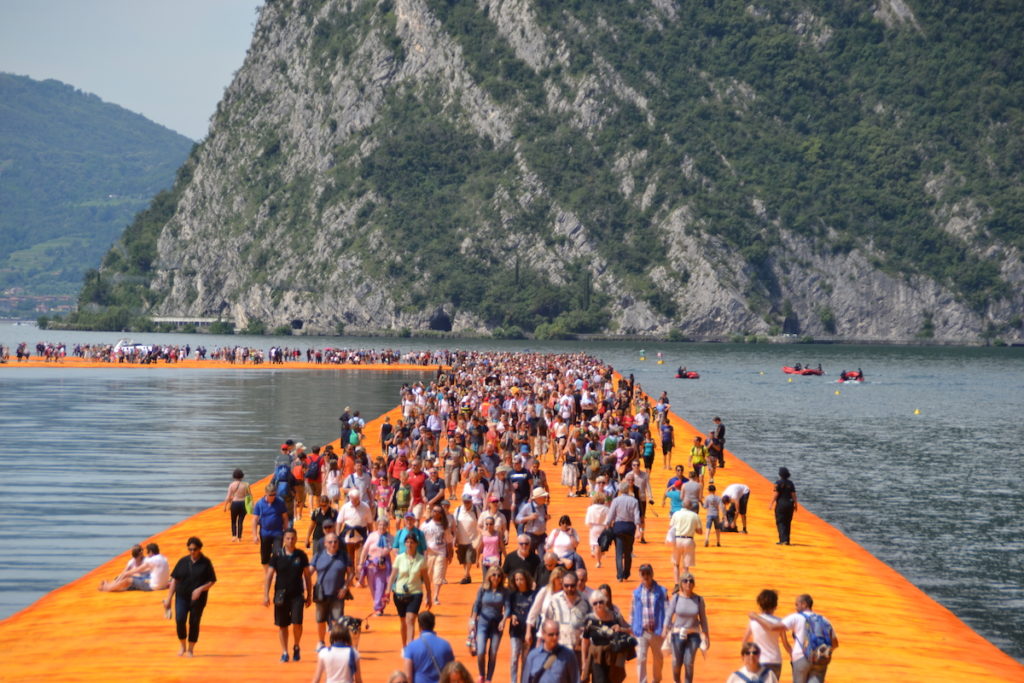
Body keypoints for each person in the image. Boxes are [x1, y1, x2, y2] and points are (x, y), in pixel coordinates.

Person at [750, 594, 838, 683]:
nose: (796, 608)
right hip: (821, 660)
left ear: (804, 604)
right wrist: (820, 652)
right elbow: (835, 644)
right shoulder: (824, 620)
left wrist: (756, 617)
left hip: (801, 658)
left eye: (797, 604)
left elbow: (772, 627)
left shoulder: (796, 617)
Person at [264, 528, 312, 662]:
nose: (290, 541)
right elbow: (269, 576)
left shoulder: (301, 555)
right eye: (288, 538)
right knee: (282, 625)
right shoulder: (277, 556)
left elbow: (307, 576)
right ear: (284, 540)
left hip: (297, 594)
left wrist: (309, 594)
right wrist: (266, 595)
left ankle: (296, 645)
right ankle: (284, 651)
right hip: (281, 595)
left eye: (293, 538)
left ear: (296, 539)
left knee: (297, 623)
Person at [163, 536, 216, 657]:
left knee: (194, 622)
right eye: (190, 549)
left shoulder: (206, 562)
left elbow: (212, 581)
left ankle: (191, 649)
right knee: (180, 620)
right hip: (181, 596)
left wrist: (200, 589)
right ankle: (182, 646)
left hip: (198, 599)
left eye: (195, 549)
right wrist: (169, 599)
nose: (192, 552)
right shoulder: (183, 561)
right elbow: (175, 580)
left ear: (200, 549)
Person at [662, 573, 709, 683]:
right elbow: (669, 614)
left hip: (693, 635)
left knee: (689, 663)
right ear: (681, 584)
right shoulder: (676, 598)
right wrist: (665, 629)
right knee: (676, 663)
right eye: (686, 581)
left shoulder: (698, 599)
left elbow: (703, 619)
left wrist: (706, 635)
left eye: (691, 581)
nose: (688, 583)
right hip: (677, 634)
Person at [388, 534, 433, 647]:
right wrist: (387, 591)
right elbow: (393, 576)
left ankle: (410, 648)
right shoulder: (399, 558)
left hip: (415, 593)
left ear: (416, 544)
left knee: (411, 619)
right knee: (403, 621)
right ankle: (404, 646)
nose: (409, 545)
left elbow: (426, 579)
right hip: (399, 593)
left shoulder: (421, 560)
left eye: (412, 542)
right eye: (407, 542)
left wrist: (429, 595)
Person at [312, 531, 351, 650]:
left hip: (337, 594)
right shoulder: (318, 555)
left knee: (337, 621)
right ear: (325, 544)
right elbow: (309, 570)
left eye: (335, 541)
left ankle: (335, 642)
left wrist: (345, 587)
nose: (333, 544)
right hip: (321, 593)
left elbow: (351, 573)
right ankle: (321, 642)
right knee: (320, 620)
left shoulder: (343, 556)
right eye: (330, 542)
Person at [470, 566, 509, 683]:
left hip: (497, 625)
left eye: (498, 575)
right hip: (483, 623)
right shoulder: (483, 589)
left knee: (493, 653)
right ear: (489, 576)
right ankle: (481, 674)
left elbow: (507, 608)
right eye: (494, 575)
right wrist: (472, 621)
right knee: (481, 651)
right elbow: (476, 605)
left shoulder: (505, 591)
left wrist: (504, 620)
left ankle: (489, 678)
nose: (496, 577)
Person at [581, 590, 630, 683]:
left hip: (614, 656)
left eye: (600, 602)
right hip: (597, 656)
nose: (598, 605)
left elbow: (630, 630)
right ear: (592, 605)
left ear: (605, 601)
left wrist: (621, 629)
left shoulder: (615, 616)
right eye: (595, 603)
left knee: (614, 680)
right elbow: (585, 640)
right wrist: (584, 661)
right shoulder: (590, 620)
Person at [543, 570, 592, 663]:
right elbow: (546, 623)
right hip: (558, 648)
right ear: (562, 584)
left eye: (572, 585)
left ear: (577, 583)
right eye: (566, 585)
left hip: (579, 650)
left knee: (579, 677)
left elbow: (591, 624)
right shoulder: (554, 600)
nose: (569, 588)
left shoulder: (586, 601)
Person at [631, 564, 668, 683]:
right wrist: (631, 627)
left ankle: (656, 680)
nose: (646, 576)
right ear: (640, 576)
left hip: (657, 631)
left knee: (658, 659)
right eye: (643, 574)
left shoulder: (662, 591)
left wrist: (667, 627)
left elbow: (668, 610)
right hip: (642, 631)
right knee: (641, 658)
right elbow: (632, 611)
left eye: (648, 573)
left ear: (652, 574)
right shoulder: (636, 593)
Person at [742, 589, 790, 680]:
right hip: (775, 661)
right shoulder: (779, 621)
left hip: (759, 660)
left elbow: (744, 642)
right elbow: (786, 644)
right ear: (775, 605)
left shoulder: (753, 621)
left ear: (759, 605)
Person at [402, 611, 455, 683]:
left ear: (419, 626)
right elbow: (452, 671)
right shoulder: (446, 645)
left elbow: (408, 676)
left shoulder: (411, 647)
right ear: (434, 624)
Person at [523, 618, 580, 683]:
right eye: (551, 634)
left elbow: (575, 680)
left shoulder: (568, 655)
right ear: (543, 634)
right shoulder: (533, 656)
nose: (555, 637)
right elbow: (525, 680)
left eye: (557, 634)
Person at [98, 542, 169, 592]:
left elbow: (138, 570)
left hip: (152, 585)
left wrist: (128, 573)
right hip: (158, 583)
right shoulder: (163, 558)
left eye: (148, 552)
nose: (147, 554)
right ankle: (110, 585)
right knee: (124, 577)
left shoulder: (150, 560)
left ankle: (107, 588)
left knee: (128, 580)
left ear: (151, 552)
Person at [506, 569, 537, 683]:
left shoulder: (533, 594)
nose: (519, 582)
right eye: (517, 579)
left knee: (525, 659)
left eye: (521, 579)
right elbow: (507, 610)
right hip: (515, 631)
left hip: (528, 631)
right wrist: (512, 615)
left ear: (526, 580)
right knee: (514, 657)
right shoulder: (512, 595)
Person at [359, 516, 394, 616]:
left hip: (383, 564)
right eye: (380, 524)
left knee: (380, 586)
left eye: (384, 525)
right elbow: (365, 550)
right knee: (372, 586)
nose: (382, 526)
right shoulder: (372, 536)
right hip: (371, 564)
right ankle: (379, 604)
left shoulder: (390, 538)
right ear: (377, 525)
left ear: (387, 526)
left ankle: (378, 608)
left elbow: (392, 550)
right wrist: (361, 563)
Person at [606, 487, 641, 582]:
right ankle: (626, 573)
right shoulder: (634, 501)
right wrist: (638, 529)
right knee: (628, 552)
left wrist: (607, 524)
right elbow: (637, 516)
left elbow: (611, 514)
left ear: (621, 490)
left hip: (619, 527)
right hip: (630, 528)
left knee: (619, 553)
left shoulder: (616, 500)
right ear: (628, 490)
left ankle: (620, 575)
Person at [421, 505, 454, 604]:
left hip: (441, 553)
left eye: (438, 511)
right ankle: (428, 595)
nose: (435, 512)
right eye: (434, 511)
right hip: (429, 553)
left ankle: (435, 596)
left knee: (438, 575)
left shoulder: (444, 526)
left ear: (441, 514)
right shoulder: (425, 525)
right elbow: (420, 538)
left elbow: (448, 541)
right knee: (428, 576)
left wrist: (450, 554)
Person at [253, 484, 290, 568]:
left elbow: (285, 518)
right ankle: (267, 575)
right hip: (265, 533)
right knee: (265, 557)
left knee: (277, 554)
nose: (272, 497)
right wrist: (254, 535)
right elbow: (255, 520)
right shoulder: (259, 503)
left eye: (274, 494)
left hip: (278, 532)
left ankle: (276, 574)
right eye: (270, 495)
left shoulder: (280, 502)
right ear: (266, 493)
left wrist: (286, 531)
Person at [338, 490, 374, 568]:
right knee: (349, 559)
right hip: (348, 536)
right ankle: (350, 576)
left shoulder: (365, 507)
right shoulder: (345, 507)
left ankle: (359, 577)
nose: (354, 501)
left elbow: (370, 522)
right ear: (350, 498)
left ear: (359, 498)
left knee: (360, 558)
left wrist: (371, 536)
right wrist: (337, 535)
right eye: (352, 499)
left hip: (361, 535)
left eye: (356, 499)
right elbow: (339, 522)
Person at [667, 505, 700, 585]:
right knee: (686, 566)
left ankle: (676, 583)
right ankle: (685, 583)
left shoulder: (676, 514)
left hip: (678, 540)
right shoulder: (695, 515)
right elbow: (700, 531)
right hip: (689, 540)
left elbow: (670, 527)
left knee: (676, 564)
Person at [516, 487, 550, 553]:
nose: (545, 498)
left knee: (542, 558)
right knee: (530, 557)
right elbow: (517, 519)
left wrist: (547, 517)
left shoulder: (544, 506)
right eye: (543, 496)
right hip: (531, 536)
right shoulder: (528, 506)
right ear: (537, 498)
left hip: (542, 536)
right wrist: (529, 518)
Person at [769, 467, 798, 545]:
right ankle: (787, 540)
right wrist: (796, 504)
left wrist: (771, 503)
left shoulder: (777, 483)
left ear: (780, 474)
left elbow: (776, 494)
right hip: (789, 504)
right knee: (788, 522)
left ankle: (783, 540)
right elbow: (793, 495)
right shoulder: (791, 483)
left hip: (781, 505)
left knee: (780, 522)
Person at [223, 468, 250, 542]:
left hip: (234, 503)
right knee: (240, 521)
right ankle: (239, 537)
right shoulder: (246, 485)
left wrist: (225, 506)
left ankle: (234, 536)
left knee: (233, 521)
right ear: (242, 476)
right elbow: (248, 495)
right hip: (243, 503)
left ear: (234, 476)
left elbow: (228, 496)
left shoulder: (232, 485)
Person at [585, 492, 610, 568]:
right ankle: (599, 555)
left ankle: (598, 561)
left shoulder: (590, 508)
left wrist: (589, 526)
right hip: (603, 527)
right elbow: (608, 520)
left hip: (594, 527)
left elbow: (588, 520)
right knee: (601, 545)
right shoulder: (606, 509)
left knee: (596, 545)